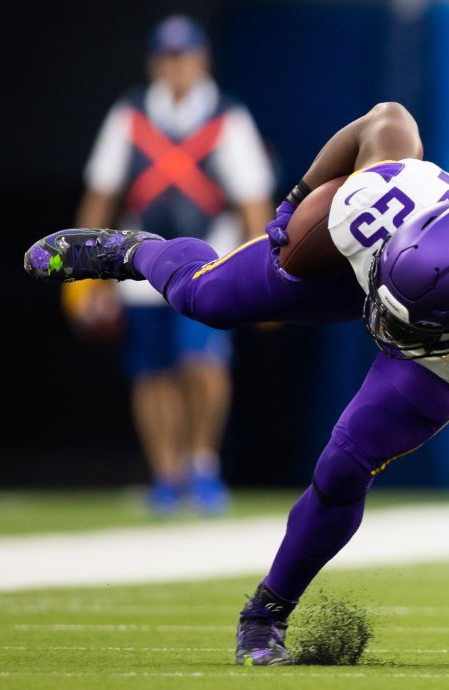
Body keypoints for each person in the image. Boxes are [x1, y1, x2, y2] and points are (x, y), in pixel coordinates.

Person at [23, 101, 449, 665]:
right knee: (206, 296)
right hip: (368, 268)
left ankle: (265, 615)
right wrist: (296, 199)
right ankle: (128, 251)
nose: (386, 331)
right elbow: (387, 118)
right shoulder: (370, 206)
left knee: (344, 466)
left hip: (440, 349)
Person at [64, 14, 275, 515]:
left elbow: (252, 201)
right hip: (141, 259)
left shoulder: (227, 117)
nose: (177, 67)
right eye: (168, 57)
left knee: (201, 362)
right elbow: (102, 194)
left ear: (202, 60)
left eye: (186, 57)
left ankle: (202, 463)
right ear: (156, 62)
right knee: (151, 370)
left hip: (209, 257)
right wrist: (82, 269)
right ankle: (165, 472)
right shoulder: (130, 115)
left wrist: (266, 271)